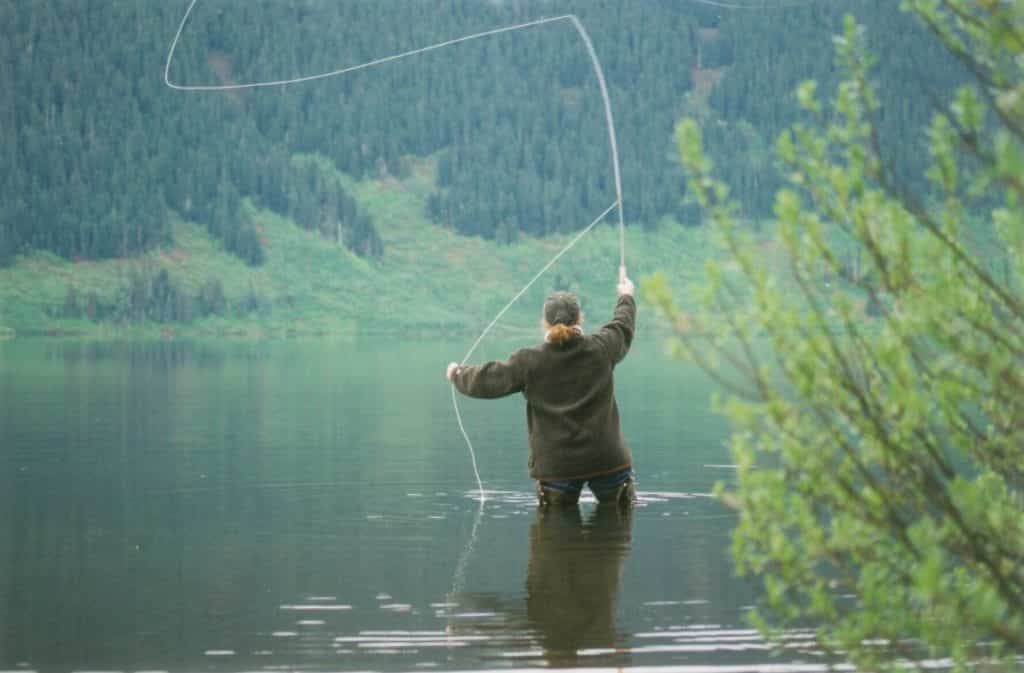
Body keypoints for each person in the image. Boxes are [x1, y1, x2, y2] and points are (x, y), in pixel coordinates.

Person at [446, 267, 637, 507]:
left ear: (544, 323)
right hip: (608, 459)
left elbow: (488, 381)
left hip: (556, 467)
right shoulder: (602, 348)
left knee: (555, 540)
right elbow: (623, 324)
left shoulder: (528, 361)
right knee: (616, 535)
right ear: (580, 319)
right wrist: (626, 295)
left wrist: (457, 374)